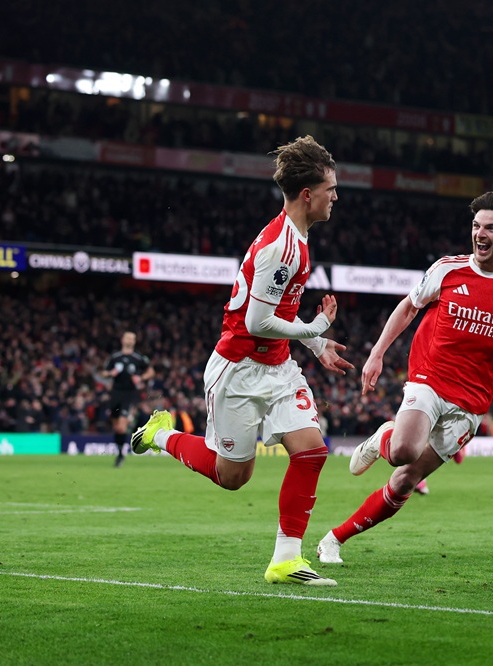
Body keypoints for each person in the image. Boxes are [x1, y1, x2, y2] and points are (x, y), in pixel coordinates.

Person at [130, 136, 354, 586]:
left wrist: (314, 345)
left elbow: (279, 312)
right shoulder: (281, 248)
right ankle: (162, 435)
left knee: (311, 451)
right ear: (307, 194)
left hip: (278, 366)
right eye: (331, 188)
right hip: (240, 369)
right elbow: (256, 320)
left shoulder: (297, 237)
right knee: (232, 477)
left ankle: (286, 560)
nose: (336, 196)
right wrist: (314, 330)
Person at [316, 191, 493, 565]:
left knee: (405, 480)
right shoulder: (448, 269)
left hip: (472, 400)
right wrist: (377, 353)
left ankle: (334, 539)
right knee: (405, 451)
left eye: (491, 227)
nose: (480, 234)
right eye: (476, 226)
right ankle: (387, 437)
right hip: (430, 376)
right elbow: (409, 307)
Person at [105, 331, 154, 467]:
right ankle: (119, 452)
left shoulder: (138, 358)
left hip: (130, 395)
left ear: (134, 341)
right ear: (122, 340)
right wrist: (110, 373)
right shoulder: (115, 357)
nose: (130, 340)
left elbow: (151, 371)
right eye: (128, 337)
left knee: (121, 427)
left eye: (133, 338)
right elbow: (103, 372)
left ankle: (121, 455)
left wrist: (141, 378)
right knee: (116, 427)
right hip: (115, 394)